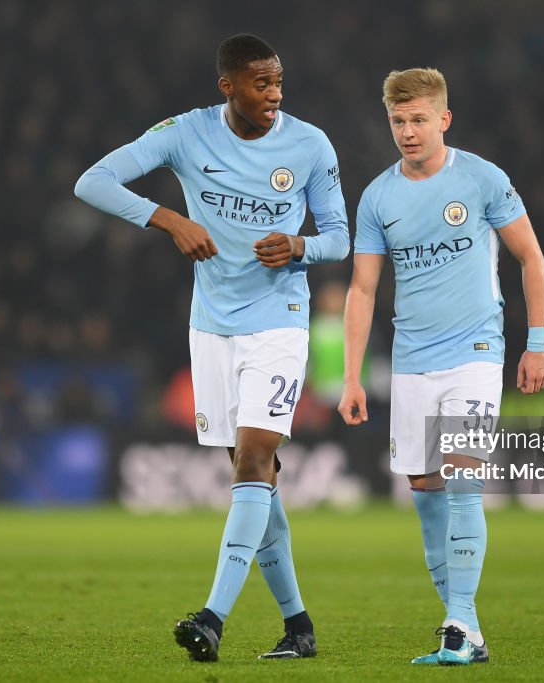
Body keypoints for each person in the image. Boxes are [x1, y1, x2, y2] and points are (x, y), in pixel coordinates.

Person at [75, 34, 349, 662]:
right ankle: (298, 627)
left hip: (280, 318)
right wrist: (167, 218)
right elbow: (93, 181)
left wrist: (301, 246)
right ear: (228, 86)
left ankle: (212, 618)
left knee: (254, 458)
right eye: (260, 83)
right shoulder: (185, 133)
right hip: (212, 325)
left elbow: (341, 235)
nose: (274, 94)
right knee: (257, 477)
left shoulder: (309, 145)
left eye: (278, 82)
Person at [338, 68, 544, 666]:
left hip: (476, 355)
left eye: (418, 120)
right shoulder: (379, 196)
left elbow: (530, 258)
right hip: (411, 362)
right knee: (426, 489)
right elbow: (362, 289)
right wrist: (353, 376)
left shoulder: (483, 179)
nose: (407, 131)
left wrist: (537, 342)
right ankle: (468, 632)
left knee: (463, 480)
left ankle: (456, 624)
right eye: (398, 121)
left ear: (443, 119)